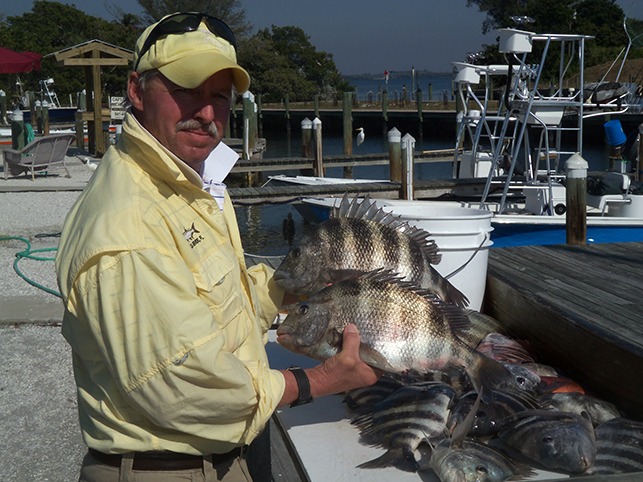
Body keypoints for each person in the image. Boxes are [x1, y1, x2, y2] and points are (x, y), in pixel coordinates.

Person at [55, 12, 380, 482]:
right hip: (167, 469)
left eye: (220, 97)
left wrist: (294, 288)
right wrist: (320, 380)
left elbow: (220, 299)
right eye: (187, 90)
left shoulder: (185, 182)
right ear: (135, 90)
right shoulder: (126, 229)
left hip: (222, 457)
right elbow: (185, 387)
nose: (207, 114)